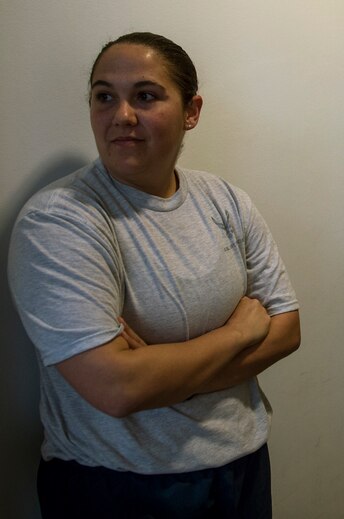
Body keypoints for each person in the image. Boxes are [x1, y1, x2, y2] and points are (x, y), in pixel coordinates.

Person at [8, 32, 301, 518]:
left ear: (192, 111)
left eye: (145, 96)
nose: (121, 115)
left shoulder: (225, 200)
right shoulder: (59, 220)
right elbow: (116, 389)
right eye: (104, 96)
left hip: (242, 461)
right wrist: (237, 334)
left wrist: (161, 374)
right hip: (119, 484)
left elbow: (288, 330)